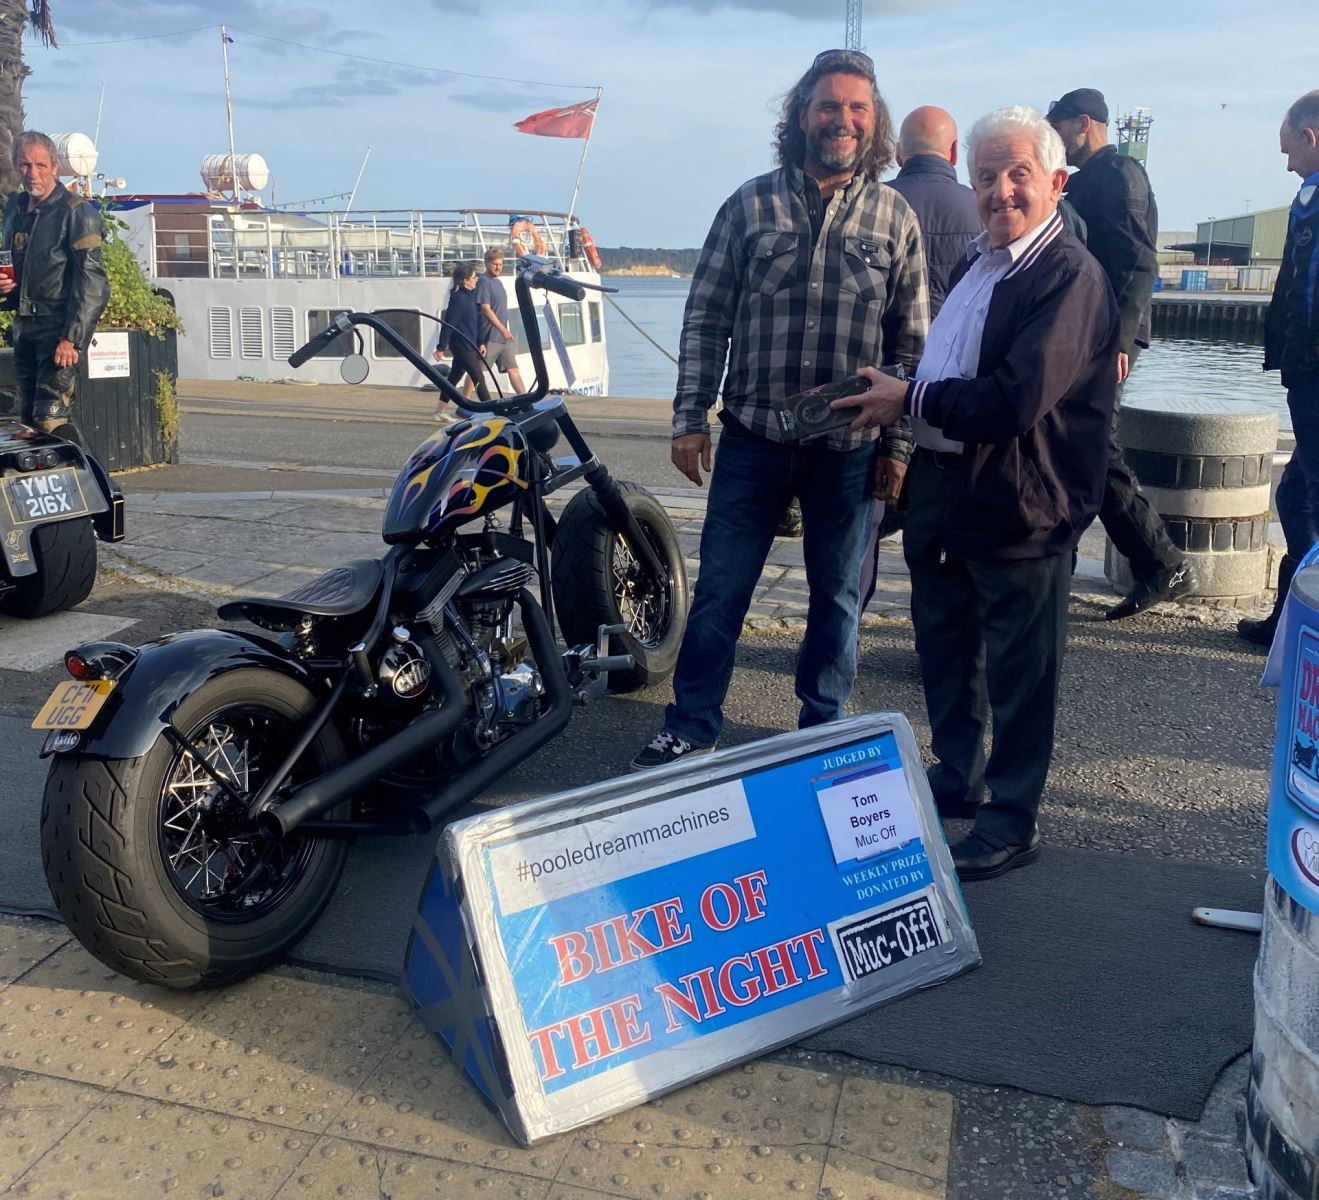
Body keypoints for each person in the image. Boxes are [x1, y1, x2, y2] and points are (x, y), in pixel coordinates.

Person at [630, 48, 928, 770]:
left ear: (875, 120)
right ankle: (692, 723)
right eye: (828, 105)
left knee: (835, 602)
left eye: (858, 108)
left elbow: (913, 342)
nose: (843, 120)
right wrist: (688, 418)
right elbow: (705, 318)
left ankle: (819, 730)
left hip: (850, 451)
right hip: (752, 441)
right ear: (801, 115)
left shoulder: (895, 217)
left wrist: (898, 450)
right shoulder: (747, 204)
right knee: (720, 590)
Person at [839, 106, 1118, 880]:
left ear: (1056, 182)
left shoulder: (1069, 275)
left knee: (1022, 669)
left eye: (1017, 175)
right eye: (986, 177)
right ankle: (955, 774)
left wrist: (909, 400)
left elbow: (1010, 400)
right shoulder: (977, 263)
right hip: (946, 487)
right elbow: (942, 365)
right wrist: (903, 402)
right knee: (944, 644)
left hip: (1023, 500)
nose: (999, 193)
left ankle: (1011, 814)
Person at [1047, 87, 1196, 620]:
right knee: (1079, 448)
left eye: (1058, 125)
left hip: (1104, 341)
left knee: (1092, 449)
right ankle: (1143, 562)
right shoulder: (1099, 179)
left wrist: (1120, 342)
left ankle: (1161, 562)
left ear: (1083, 123)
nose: (1053, 136)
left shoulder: (1118, 177)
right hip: (1092, 336)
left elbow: (1137, 264)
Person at [858, 105, 982, 607]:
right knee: (946, 528)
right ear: (953, 152)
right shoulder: (981, 210)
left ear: (897, 153)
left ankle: (847, 628)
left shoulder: (874, 205)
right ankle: (937, 642)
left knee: (863, 522)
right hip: (949, 397)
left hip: (877, 384)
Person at [1238, 91, 1319, 645]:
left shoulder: (1312, 201)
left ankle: (1296, 627)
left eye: (1289, 150)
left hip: (1313, 374)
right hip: (1307, 372)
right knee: (1297, 495)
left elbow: (1306, 293)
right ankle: (1290, 622)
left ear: (1310, 138)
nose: (1288, 163)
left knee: (1303, 496)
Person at [0, 130, 109, 442]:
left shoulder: (76, 212)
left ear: (55, 167)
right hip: (24, 327)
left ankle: (100, 487)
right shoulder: (14, 209)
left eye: (40, 165)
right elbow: (14, 266)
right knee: (27, 423)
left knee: (50, 417)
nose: (32, 173)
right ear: (15, 166)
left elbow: (94, 284)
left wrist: (71, 339)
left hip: (57, 329)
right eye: (24, 165)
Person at [433, 263, 491, 412]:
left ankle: (439, 411)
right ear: (465, 281)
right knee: (478, 378)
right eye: (473, 277)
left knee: (453, 379)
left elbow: (476, 323)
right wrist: (441, 347)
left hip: (470, 345)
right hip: (462, 347)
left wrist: (481, 342)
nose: (476, 279)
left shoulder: (472, 296)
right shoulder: (458, 299)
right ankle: (492, 411)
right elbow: (449, 323)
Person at [475, 247, 526, 396]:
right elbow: (486, 309)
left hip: (503, 337)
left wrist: (505, 331)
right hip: (490, 336)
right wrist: (503, 330)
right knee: (477, 373)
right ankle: (464, 402)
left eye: (500, 264)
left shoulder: (498, 282)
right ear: (487, 264)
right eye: (495, 264)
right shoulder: (484, 282)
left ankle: (524, 399)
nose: (498, 268)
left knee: (513, 369)